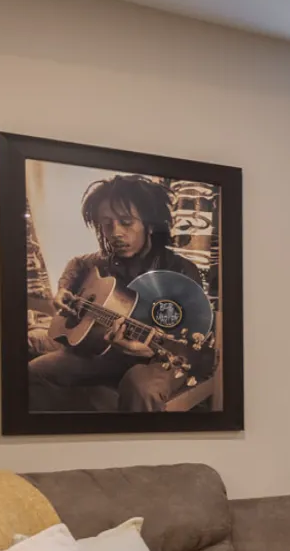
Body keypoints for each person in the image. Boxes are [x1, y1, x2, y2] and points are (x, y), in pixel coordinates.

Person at [27, 174, 212, 412]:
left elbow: (191, 340)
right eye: (107, 224)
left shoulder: (180, 271)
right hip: (107, 353)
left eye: (126, 222)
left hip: (159, 359)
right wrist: (64, 288)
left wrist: (149, 348)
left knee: (140, 386)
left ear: (150, 224)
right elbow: (77, 263)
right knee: (35, 372)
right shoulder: (103, 262)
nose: (115, 233)